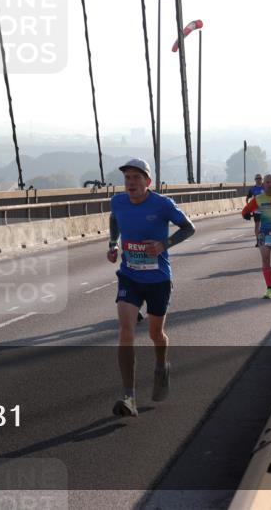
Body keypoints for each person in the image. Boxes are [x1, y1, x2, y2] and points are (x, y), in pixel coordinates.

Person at [107, 158, 196, 417]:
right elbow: (115, 219)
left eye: (137, 178)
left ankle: (161, 366)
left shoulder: (162, 204)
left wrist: (163, 245)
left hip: (158, 279)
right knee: (126, 331)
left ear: (148, 182)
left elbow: (189, 228)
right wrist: (113, 244)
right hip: (129, 276)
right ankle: (129, 397)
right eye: (127, 178)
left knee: (156, 334)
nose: (131, 183)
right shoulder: (118, 202)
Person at [246, 175, 265, 246]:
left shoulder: (265, 187)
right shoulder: (253, 189)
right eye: (257, 178)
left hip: (265, 210)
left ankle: (264, 239)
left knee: (264, 225)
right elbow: (247, 198)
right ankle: (258, 241)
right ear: (255, 180)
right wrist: (248, 208)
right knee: (257, 226)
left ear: (262, 179)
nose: (258, 180)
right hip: (257, 210)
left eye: (260, 178)